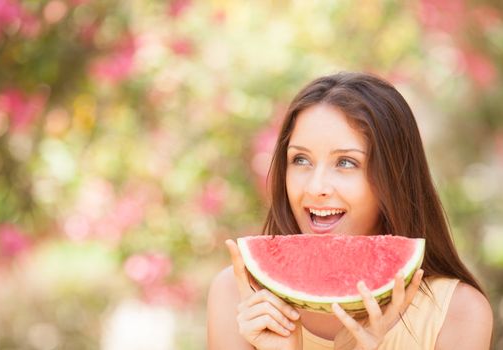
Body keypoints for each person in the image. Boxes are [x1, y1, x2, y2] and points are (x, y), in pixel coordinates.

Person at [207, 72, 493, 350]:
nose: (315, 187)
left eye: (345, 162)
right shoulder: (239, 298)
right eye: (301, 159)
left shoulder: (458, 313)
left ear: (394, 177)